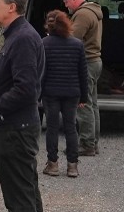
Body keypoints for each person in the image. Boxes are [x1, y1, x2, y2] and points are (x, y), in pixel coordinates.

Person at [0, 0, 45, 212]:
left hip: (15, 131)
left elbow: (26, 88)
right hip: (12, 129)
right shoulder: (15, 35)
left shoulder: (23, 38)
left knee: (19, 200)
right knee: (25, 193)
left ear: (11, 7)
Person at [40, 10, 89, 178]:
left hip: (50, 92)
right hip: (72, 92)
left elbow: (41, 72)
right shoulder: (77, 44)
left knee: (52, 128)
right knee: (71, 128)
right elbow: (83, 73)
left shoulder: (44, 43)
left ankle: (52, 164)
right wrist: (84, 97)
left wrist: (37, 94)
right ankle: (72, 166)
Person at [61, 0, 103, 157]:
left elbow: (73, 38)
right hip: (95, 61)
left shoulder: (83, 14)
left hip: (86, 62)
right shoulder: (94, 11)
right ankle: (93, 142)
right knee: (92, 104)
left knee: (83, 104)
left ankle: (86, 144)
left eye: (66, 3)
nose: (66, 7)